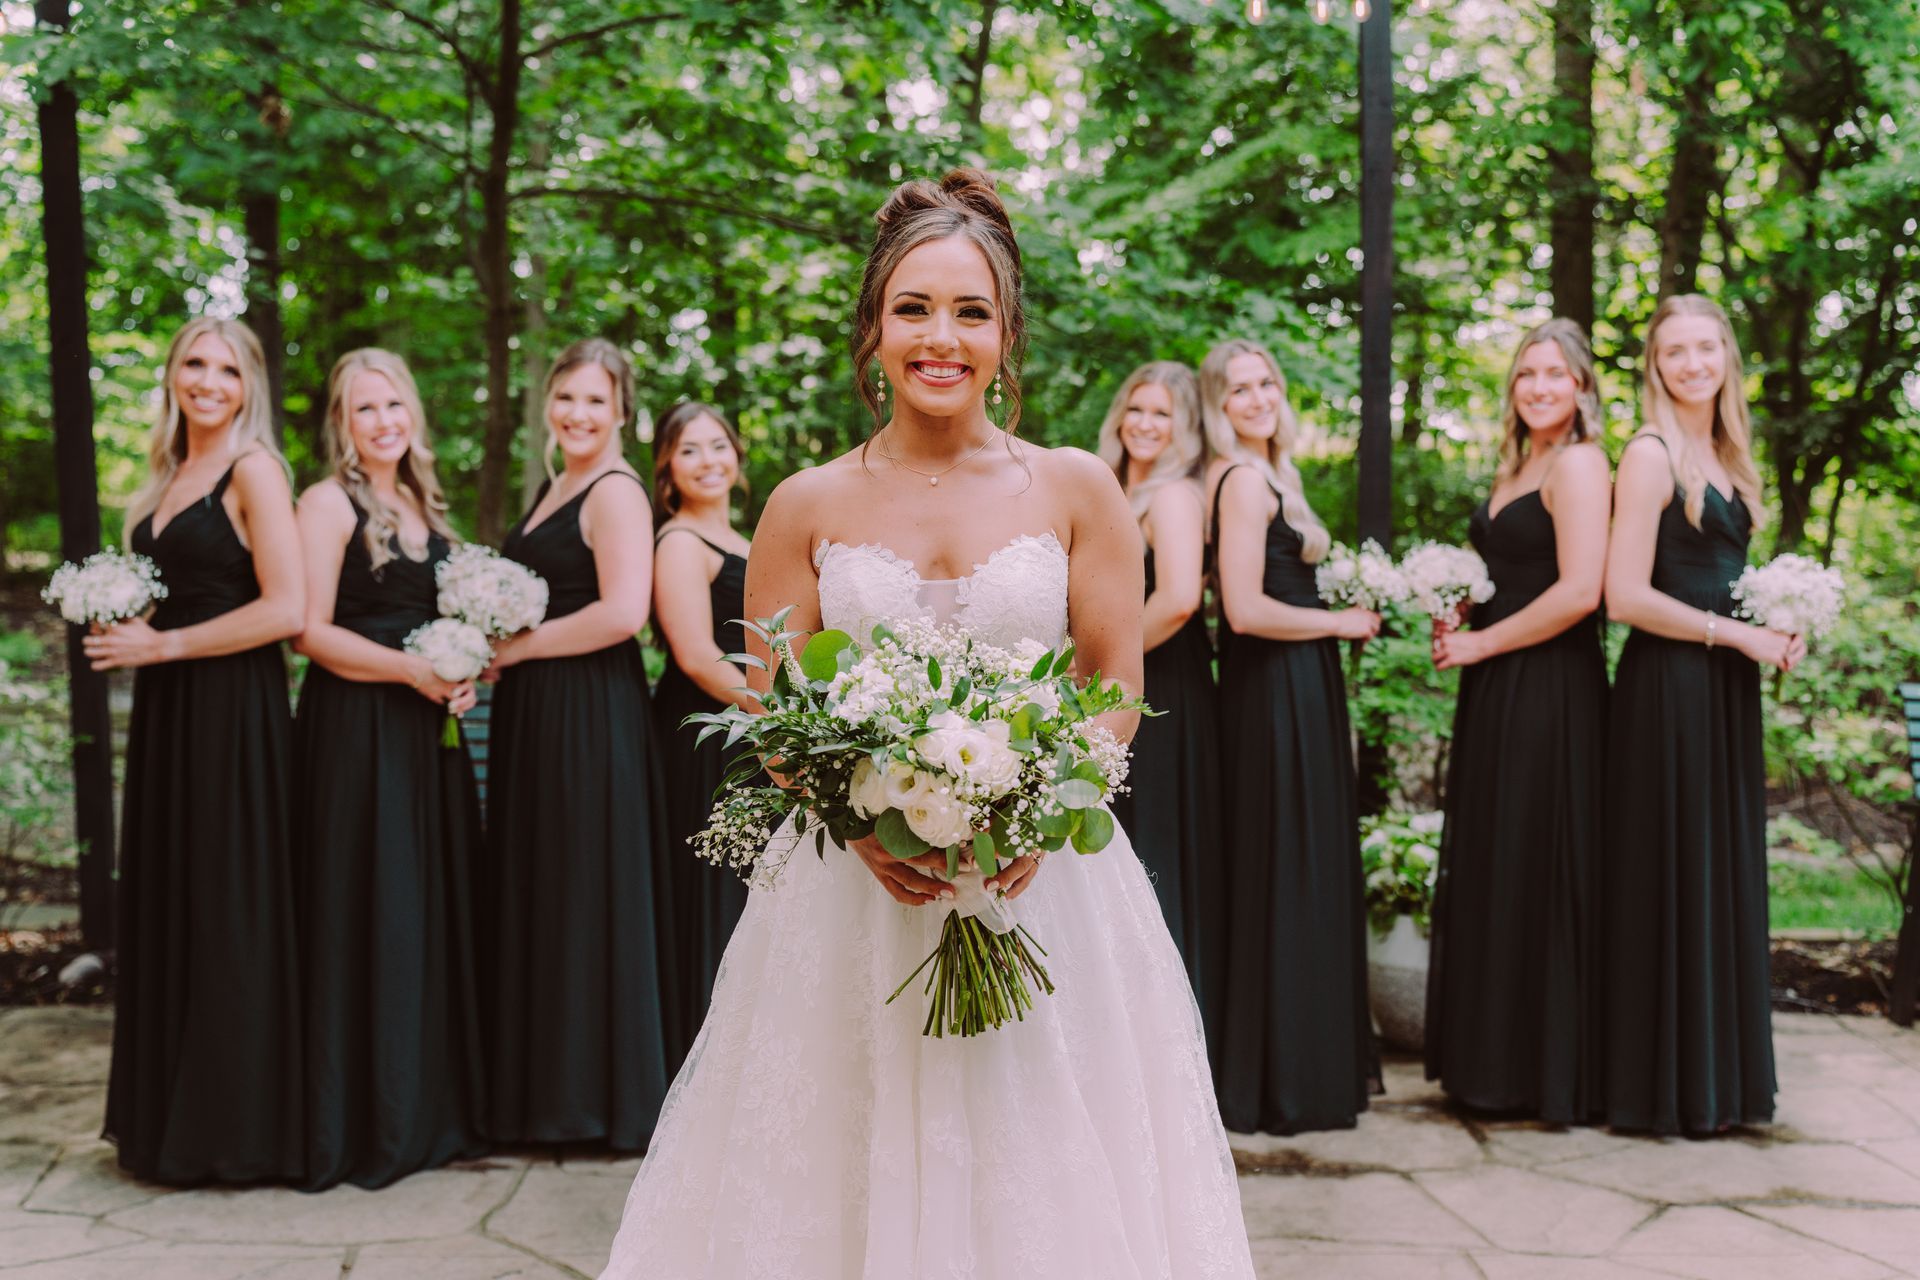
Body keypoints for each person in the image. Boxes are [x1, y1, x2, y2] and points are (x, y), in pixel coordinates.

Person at [599, 169, 1254, 1278]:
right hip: (848, 894)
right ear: (872, 326)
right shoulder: (805, 503)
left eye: (969, 311)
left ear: (1007, 332)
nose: (939, 337)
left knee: (1045, 1151)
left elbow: (1112, 684)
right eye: (913, 308)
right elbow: (777, 707)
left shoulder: (1080, 487)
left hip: (1047, 890)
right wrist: (859, 823)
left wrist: (1048, 810)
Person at [89, 316, 306, 1184]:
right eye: (194, 363)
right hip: (168, 711)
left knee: (226, 900)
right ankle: (164, 1122)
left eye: (226, 368)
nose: (208, 381)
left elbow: (287, 610)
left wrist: (165, 646)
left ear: (248, 383)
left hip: (230, 709)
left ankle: (233, 1132)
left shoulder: (255, 471)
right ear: (173, 374)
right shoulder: (165, 476)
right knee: (171, 889)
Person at [1603, 294, 1799, 1135]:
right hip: (1668, 691)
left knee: (1715, 871)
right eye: (1674, 351)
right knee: (1671, 868)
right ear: (1656, 365)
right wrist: (1737, 635)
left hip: (1722, 691)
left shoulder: (1728, 457)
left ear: (1726, 358)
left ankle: (1718, 1079)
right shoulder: (1650, 455)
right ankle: (1662, 1086)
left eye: (1705, 348)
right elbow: (1624, 596)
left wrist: (1778, 627)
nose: (1691, 364)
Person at [291, 348, 486, 1187]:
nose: (384, 422)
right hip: (354, 732)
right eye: (365, 409)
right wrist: (413, 670)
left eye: (395, 406)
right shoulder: (328, 503)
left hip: (422, 741)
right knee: (364, 910)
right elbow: (309, 630)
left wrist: (462, 673)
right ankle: (363, 1125)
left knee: (421, 910)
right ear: (343, 422)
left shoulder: (422, 505)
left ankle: (428, 1112)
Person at [482, 338, 669, 1150]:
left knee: (582, 887)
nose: (577, 414)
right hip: (542, 707)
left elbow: (623, 612)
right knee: (545, 885)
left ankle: (591, 1101)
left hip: (588, 710)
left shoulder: (616, 490)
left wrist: (513, 651)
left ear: (622, 409)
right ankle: (543, 1090)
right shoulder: (557, 481)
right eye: (565, 397)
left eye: (595, 401)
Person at [1424, 319, 1612, 1124]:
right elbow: (1512, 571)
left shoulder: (1578, 463)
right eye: (1527, 373)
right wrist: (1458, 607)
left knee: (1537, 858)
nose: (1539, 386)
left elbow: (1580, 592)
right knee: (1498, 855)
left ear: (1581, 387)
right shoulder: (1516, 465)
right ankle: (1486, 1063)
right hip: (1497, 685)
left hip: (1552, 690)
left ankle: (1543, 1071)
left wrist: (1483, 643)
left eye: (1555, 374)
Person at [1204, 337, 1376, 1136]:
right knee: (1284, 860)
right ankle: (1280, 1079)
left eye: (1267, 381)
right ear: (1218, 404)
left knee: (1302, 859)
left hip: (1300, 682)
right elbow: (1243, 609)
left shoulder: (1277, 475)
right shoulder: (1241, 480)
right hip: (1270, 687)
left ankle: (1306, 1062)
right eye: (1239, 388)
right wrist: (1339, 622)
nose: (1258, 397)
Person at [1095, 361, 1217, 985]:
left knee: (1152, 849)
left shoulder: (1171, 496)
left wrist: (1096, 666)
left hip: (1162, 688)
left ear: (1185, 428)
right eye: (1136, 409)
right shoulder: (1108, 488)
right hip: (1115, 687)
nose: (1145, 424)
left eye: (1162, 414)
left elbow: (1177, 599)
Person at [648, 400, 756, 1069]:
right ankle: (706, 1058)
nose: (708, 460)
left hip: (751, 731)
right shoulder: (680, 542)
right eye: (689, 450)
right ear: (667, 468)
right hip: (707, 739)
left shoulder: (748, 540)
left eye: (717, 445)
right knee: (714, 895)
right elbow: (695, 655)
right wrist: (780, 716)